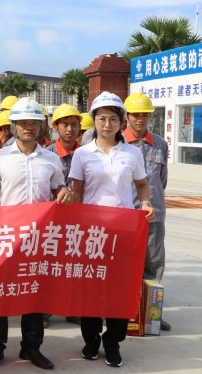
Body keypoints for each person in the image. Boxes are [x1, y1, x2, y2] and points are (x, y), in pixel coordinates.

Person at [0, 97, 73, 370]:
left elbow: (58, 187)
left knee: (35, 292)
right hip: (5, 237)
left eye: (33, 123)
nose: (28, 127)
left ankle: (31, 347)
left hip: (39, 238)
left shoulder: (51, 159)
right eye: (23, 123)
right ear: (14, 126)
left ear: (42, 126)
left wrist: (63, 191)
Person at [69, 91, 155, 368]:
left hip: (123, 231)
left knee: (119, 289)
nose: (107, 125)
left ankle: (113, 341)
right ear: (94, 120)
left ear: (122, 122)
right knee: (91, 288)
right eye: (102, 119)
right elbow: (77, 190)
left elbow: (142, 184)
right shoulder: (82, 154)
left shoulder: (132, 153)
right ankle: (91, 339)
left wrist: (145, 202)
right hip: (91, 231)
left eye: (113, 119)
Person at [123, 92, 170, 331]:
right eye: (135, 115)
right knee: (125, 265)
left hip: (154, 215)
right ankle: (123, 312)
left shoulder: (160, 144)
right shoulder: (119, 143)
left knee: (153, 263)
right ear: (127, 116)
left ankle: (151, 314)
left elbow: (162, 180)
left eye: (145, 115)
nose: (140, 119)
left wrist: (153, 202)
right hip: (125, 216)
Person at [43, 103, 82, 328]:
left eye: (74, 124)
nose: (70, 129)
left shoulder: (86, 154)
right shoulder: (46, 154)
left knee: (74, 266)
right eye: (65, 124)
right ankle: (45, 310)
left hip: (79, 220)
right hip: (52, 221)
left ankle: (71, 308)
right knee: (49, 266)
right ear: (55, 127)